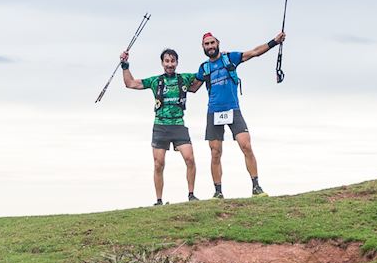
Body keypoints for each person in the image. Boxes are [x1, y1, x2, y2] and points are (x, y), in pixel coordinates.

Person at [196, 29, 285, 197]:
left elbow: (254, 53)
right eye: (207, 44)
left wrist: (274, 41)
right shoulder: (204, 68)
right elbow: (193, 86)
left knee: (246, 146)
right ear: (203, 47)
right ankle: (218, 192)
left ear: (218, 43)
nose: (210, 46)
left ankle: (256, 187)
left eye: (212, 43)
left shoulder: (230, 58)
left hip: (233, 109)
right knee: (215, 152)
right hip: (213, 111)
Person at [120, 47, 201, 204]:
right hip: (160, 125)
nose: (170, 64)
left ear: (177, 62)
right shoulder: (155, 81)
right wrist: (125, 65)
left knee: (190, 159)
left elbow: (201, 77)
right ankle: (159, 200)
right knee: (158, 164)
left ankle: (191, 195)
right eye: (167, 61)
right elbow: (130, 83)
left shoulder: (184, 78)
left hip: (178, 124)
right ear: (162, 63)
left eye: (172, 61)